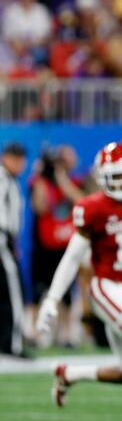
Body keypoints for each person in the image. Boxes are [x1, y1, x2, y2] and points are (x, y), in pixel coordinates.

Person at [36, 143, 122, 421]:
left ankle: (68, 374)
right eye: (115, 177)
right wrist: (52, 300)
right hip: (105, 288)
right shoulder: (91, 208)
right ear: (103, 177)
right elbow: (71, 257)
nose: (121, 183)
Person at [29, 147, 85, 348]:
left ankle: (66, 335)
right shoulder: (39, 182)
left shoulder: (74, 181)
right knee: (38, 291)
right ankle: (35, 334)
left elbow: (80, 201)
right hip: (44, 246)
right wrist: (40, 175)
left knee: (67, 294)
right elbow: (40, 207)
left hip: (65, 246)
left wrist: (61, 176)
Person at [0, 143, 26, 358]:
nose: (20, 164)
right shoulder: (3, 178)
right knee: (13, 293)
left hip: (7, 240)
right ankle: (12, 344)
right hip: (2, 239)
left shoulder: (11, 180)